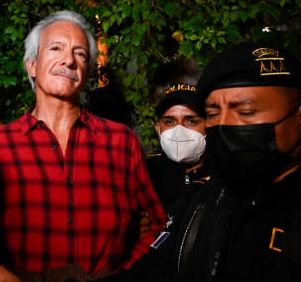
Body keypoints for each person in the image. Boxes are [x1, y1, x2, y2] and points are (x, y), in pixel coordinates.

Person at [0, 11, 166, 281]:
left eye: (80, 53)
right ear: (31, 65)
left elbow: (157, 227)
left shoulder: (122, 141)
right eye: (55, 48)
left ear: (89, 70)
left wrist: (126, 275)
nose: (68, 60)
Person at [80, 42, 301, 282]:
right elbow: (147, 274)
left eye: (245, 111)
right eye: (214, 114)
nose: (224, 125)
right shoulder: (202, 204)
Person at [147, 84, 214, 211]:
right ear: (158, 130)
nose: (179, 130)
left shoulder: (223, 172)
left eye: (191, 121)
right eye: (169, 122)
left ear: (208, 126)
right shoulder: (146, 172)